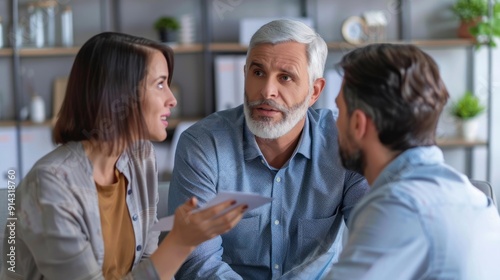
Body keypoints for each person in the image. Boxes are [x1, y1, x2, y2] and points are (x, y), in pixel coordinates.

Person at [0, 32, 246, 280]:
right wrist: (181, 242)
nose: (172, 99)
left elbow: (149, 259)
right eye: (160, 84)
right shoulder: (50, 185)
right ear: (119, 94)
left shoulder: (141, 157)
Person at [167, 19, 369, 279]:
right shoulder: (204, 144)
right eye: (258, 72)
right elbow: (196, 260)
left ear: (314, 91)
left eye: (285, 77)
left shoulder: (344, 142)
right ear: (245, 74)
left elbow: (373, 244)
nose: (266, 91)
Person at [326, 43, 500, 279]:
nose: (335, 125)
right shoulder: (475, 198)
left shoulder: (399, 206)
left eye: (339, 111)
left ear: (358, 124)